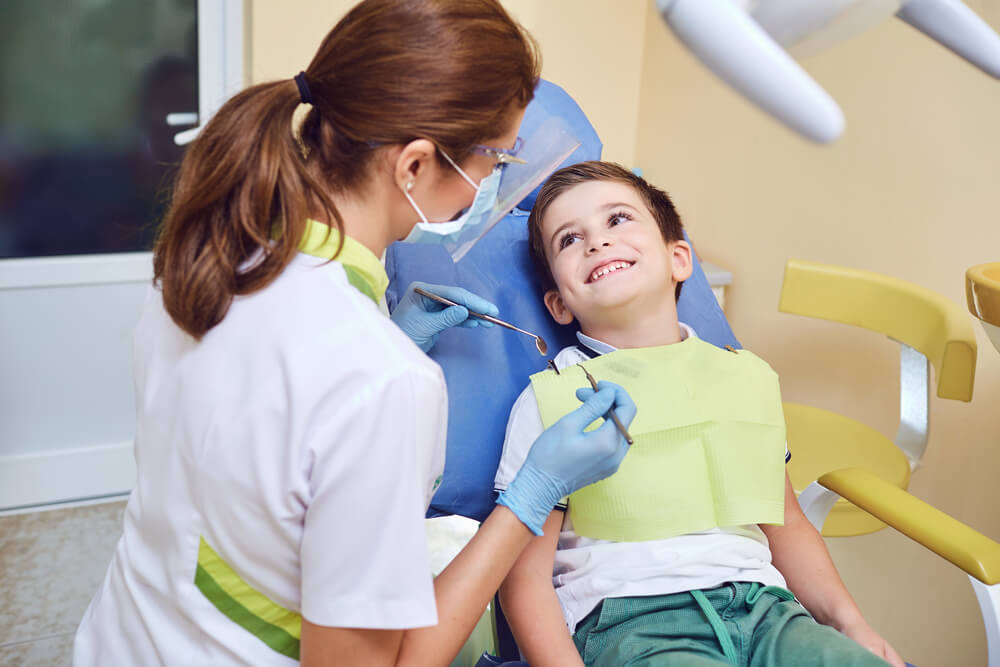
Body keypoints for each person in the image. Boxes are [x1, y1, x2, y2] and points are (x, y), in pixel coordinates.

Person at [71, 3, 637, 665]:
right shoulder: (386, 384)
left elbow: (244, 460)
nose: (498, 187)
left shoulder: (199, 263)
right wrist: (529, 498)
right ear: (415, 165)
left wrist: (377, 338)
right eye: (496, 162)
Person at [494, 161, 905, 667]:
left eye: (618, 220)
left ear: (679, 259)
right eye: (568, 239)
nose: (596, 242)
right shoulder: (551, 400)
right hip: (635, 625)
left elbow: (788, 527)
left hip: (769, 614)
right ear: (558, 304)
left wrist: (851, 625)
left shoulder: (745, 378)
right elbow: (522, 578)